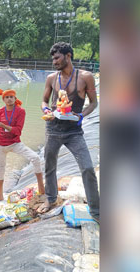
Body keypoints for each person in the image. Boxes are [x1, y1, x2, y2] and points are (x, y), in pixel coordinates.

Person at [39, 42, 99, 222]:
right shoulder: (51, 78)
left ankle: (96, 210)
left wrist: (81, 115)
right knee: (50, 165)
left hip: (74, 131)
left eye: (57, 58)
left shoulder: (85, 77)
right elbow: (44, 101)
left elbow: (94, 103)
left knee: (88, 167)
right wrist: (46, 111)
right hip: (53, 129)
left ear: (68, 56)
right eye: (53, 58)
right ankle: (50, 199)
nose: (54, 61)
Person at [0, 89, 44, 204]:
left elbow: (18, 131)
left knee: (35, 158)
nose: (9, 99)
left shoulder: (20, 111)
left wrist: (4, 125)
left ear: (15, 99)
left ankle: (41, 190)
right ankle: (0, 195)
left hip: (15, 143)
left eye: (11, 97)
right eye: (7, 97)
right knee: (0, 169)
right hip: (0, 144)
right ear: (3, 100)